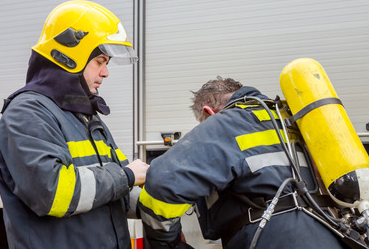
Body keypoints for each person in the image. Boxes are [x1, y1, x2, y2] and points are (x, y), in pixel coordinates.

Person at [0, 0, 149, 249]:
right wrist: (127, 175)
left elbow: (114, 190)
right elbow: (51, 193)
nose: (105, 72)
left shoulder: (84, 115)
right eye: (99, 61)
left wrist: (172, 191)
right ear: (69, 57)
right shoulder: (28, 112)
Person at [138, 76, 350, 248]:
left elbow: (162, 183)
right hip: (331, 233)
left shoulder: (225, 123)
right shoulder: (288, 119)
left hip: (270, 239)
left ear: (208, 113)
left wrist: (170, 244)